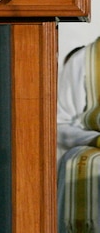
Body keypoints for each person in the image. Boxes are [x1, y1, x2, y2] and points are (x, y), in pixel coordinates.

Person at [57, 39, 100, 231]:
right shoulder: (83, 59)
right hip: (94, 145)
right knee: (80, 162)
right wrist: (94, 139)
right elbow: (60, 125)